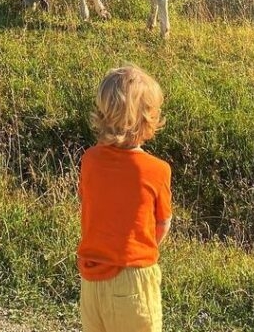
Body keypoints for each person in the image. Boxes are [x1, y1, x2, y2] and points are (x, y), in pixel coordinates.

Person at [77, 64, 172, 332]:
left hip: (91, 280)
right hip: (133, 279)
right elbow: (162, 223)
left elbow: (88, 205)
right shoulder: (157, 170)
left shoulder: (90, 161)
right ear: (147, 119)